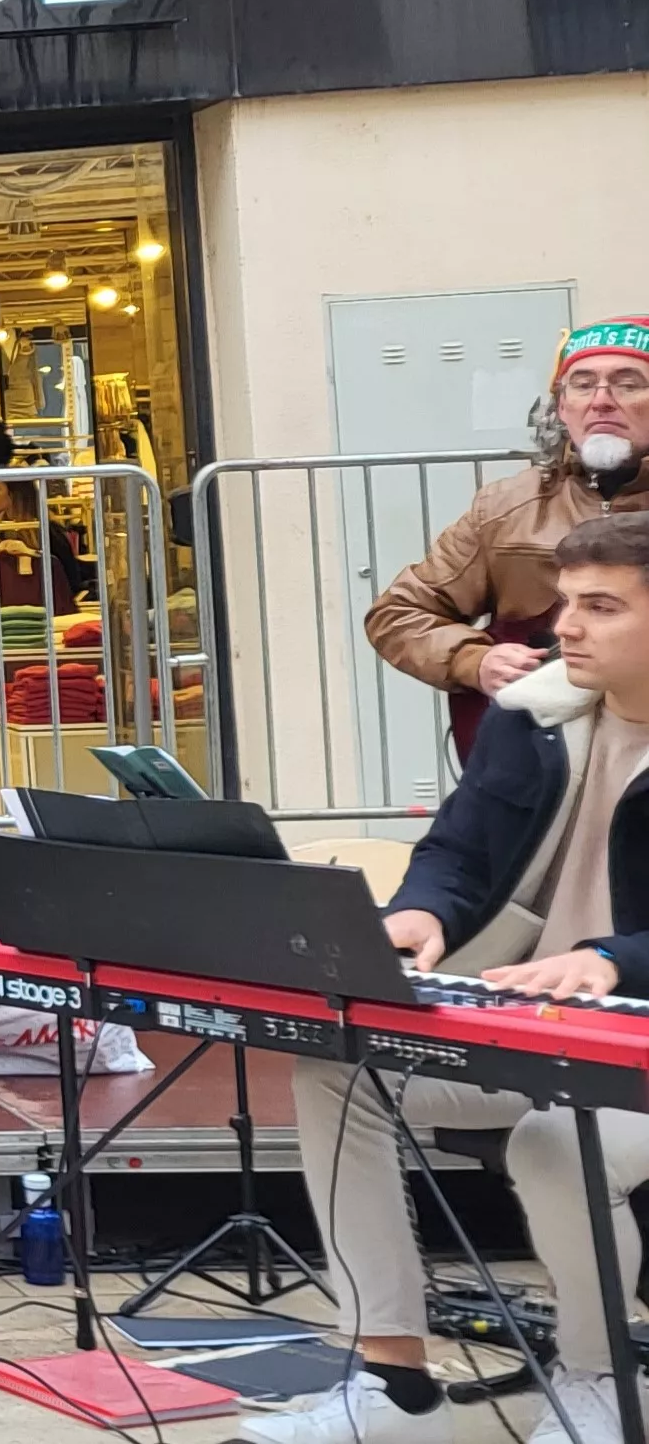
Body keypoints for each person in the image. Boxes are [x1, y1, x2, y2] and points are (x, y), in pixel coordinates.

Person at [250, 513, 649, 1444]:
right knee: (335, 1066)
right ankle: (392, 1381)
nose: (564, 627)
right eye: (563, 602)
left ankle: (599, 1376)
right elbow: (456, 856)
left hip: (626, 1040)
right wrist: (419, 912)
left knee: (555, 1141)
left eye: (599, 606)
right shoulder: (535, 712)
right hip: (546, 1026)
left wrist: (608, 959)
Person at [369, 318, 649, 758]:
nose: (601, 401)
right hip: (535, 764)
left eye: (628, 384)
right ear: (559, 408)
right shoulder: (504, 508)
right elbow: (399, 613)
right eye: (581, 384)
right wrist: (474, 661)